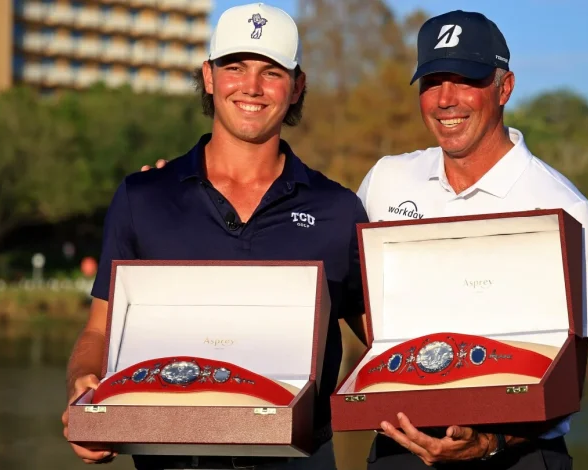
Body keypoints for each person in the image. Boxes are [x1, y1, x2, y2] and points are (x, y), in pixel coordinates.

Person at [60, 3, 368, 469]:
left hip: (300, 459)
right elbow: (98, 332)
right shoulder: (142, 197)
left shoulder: (338, 209)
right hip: (168, 457)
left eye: (272, 72)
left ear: (297, 86)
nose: (251, 87)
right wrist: (85, 388)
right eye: (235, 67)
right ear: (208, 76)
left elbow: (383, 341)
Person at [355, 10, 588, 470]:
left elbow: (569, 380)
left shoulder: (566, 208)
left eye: (465, 79)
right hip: (401, 447)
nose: (445, 99)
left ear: (504, 87)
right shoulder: (386, 180)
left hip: (517, 455)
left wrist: (490, 441)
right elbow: (347, 287)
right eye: (432, 81)